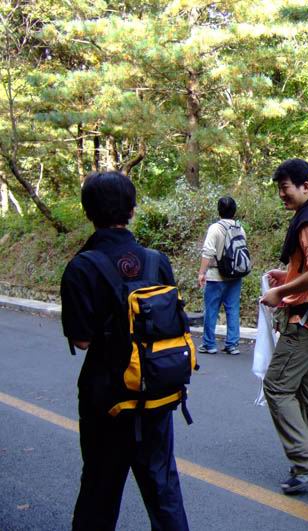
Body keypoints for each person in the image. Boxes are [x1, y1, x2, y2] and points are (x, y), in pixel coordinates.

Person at [60, 171, 189, 530]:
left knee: (100, 489)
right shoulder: (156, 260)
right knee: (163, 488)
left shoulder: (81, 267)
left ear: (87, 212)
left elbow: (82, 340)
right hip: (156, 390)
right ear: (132, 210)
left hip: (107, 399)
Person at [260, 158, 308, 494]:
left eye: (285, 188)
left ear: (305, 186)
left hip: (306, 321)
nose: (282, 194)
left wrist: (279, 292)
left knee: (277, 387)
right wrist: (288, 275)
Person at [197, 196, 245, 355]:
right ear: (234, 211)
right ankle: (232, 344)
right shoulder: (239, 228)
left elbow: (208, 252)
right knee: (233, 309)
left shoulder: (215, 228)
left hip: (216, 276)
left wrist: (202, 273)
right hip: (235, 275)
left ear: (219, 210)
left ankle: (209, 344)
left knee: (211, 310)